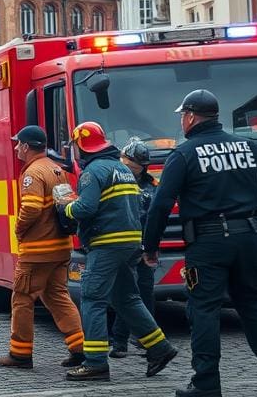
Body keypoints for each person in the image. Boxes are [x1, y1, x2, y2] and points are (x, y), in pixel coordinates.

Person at [143, 89, 257, 397]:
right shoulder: (249, 148)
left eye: (183, 115)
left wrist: (151, 246)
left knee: (203, 309)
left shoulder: (184, 154)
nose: (182, 121)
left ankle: (206, 383)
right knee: (252, 303)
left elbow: (160, 204)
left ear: (192, 117)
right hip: (248, 238)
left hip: (208, 244)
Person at [54, 122, 178, 383]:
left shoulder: (92, 172)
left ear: (81, 145)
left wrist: (64, 208)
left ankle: (96, 363)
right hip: (131, 242)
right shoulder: (121, 169)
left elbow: (86, 209)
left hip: (106, 243)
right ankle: (160, 348)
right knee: (127, 298)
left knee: (92, 298)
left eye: (75, 145)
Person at [0, 125, 84, 370]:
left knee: (22, 297)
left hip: (38, 250)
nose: (15, 148)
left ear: (26, 146)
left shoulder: (33, 173)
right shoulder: (56, 169)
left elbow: (32, 208)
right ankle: (79, 348)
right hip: (61, 248)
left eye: (18, 144)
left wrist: (19, 229)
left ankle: (20, 353)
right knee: (57, 296)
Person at [109, 139, 157, 358]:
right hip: (122, 247)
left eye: (136, 164)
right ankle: (120, 342)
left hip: (144, 247)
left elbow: (155, 217)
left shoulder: (152, 186)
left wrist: (150, 247)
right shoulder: (113, 179)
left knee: (143, 293)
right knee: (125, 294)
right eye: (129, 162)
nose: (131, 167)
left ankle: (146, 341)